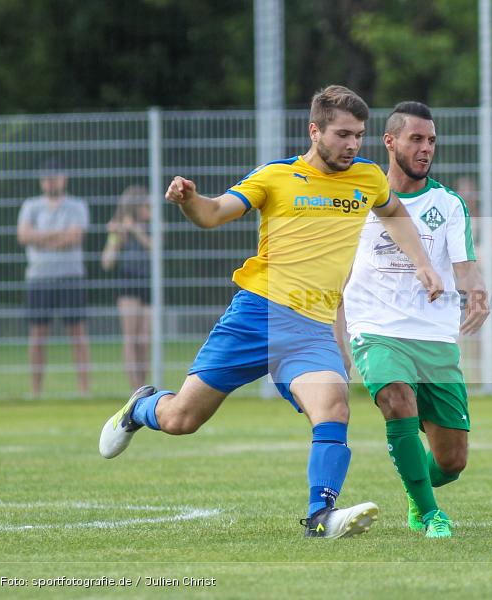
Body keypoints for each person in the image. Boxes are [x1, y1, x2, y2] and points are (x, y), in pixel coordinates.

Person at [98, 85, 444, 539]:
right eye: (342, 134)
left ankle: (319, 517)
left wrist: (422, 264)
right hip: (256, 316)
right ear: (314, 131)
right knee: (182, 419)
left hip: (312, 330)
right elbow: (216, 212)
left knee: (334, 408)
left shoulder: (368, 178)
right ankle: (140, 407)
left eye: (359, 135)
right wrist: (188, 201)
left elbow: (394, 214)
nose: (353, 144)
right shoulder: (276, 176)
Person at [338, 101, 490, 538]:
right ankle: (428, 513)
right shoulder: (358, 199)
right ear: (390, 142)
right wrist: (334, 334)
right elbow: (338, 269)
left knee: (452, 461)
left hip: (435, 337)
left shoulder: (448, 204)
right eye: (416, 139)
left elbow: (465, 267)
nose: (426, 149)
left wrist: (476, 290)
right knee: (396, 399)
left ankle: (415, 488)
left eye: (432, 141)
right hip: (376, 329)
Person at [16, 158, 91, 397]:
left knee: (77, 334)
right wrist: (58, 237)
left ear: (63, 178)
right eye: (46, 177)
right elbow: (24, 235)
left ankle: (84, 391)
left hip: (71, 277)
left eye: (54, 176)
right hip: (39, 278)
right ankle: (35, 392)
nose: (50, 181)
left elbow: (74, 237)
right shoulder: (31, 205)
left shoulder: (77, 205)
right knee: (37, 336)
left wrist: (42, 238)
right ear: (42, 180)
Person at [101, 185, 152, 389]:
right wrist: (116, 239)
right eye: (145, 205)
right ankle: (134, 390)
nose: (149, 208)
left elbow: (156, 248)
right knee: (130, 339)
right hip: (128, 284)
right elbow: (107, 262)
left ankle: (144, 386)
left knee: (144, 339)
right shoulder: (119, 227)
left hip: (149, 284)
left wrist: (136, 231)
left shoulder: (152, 226)